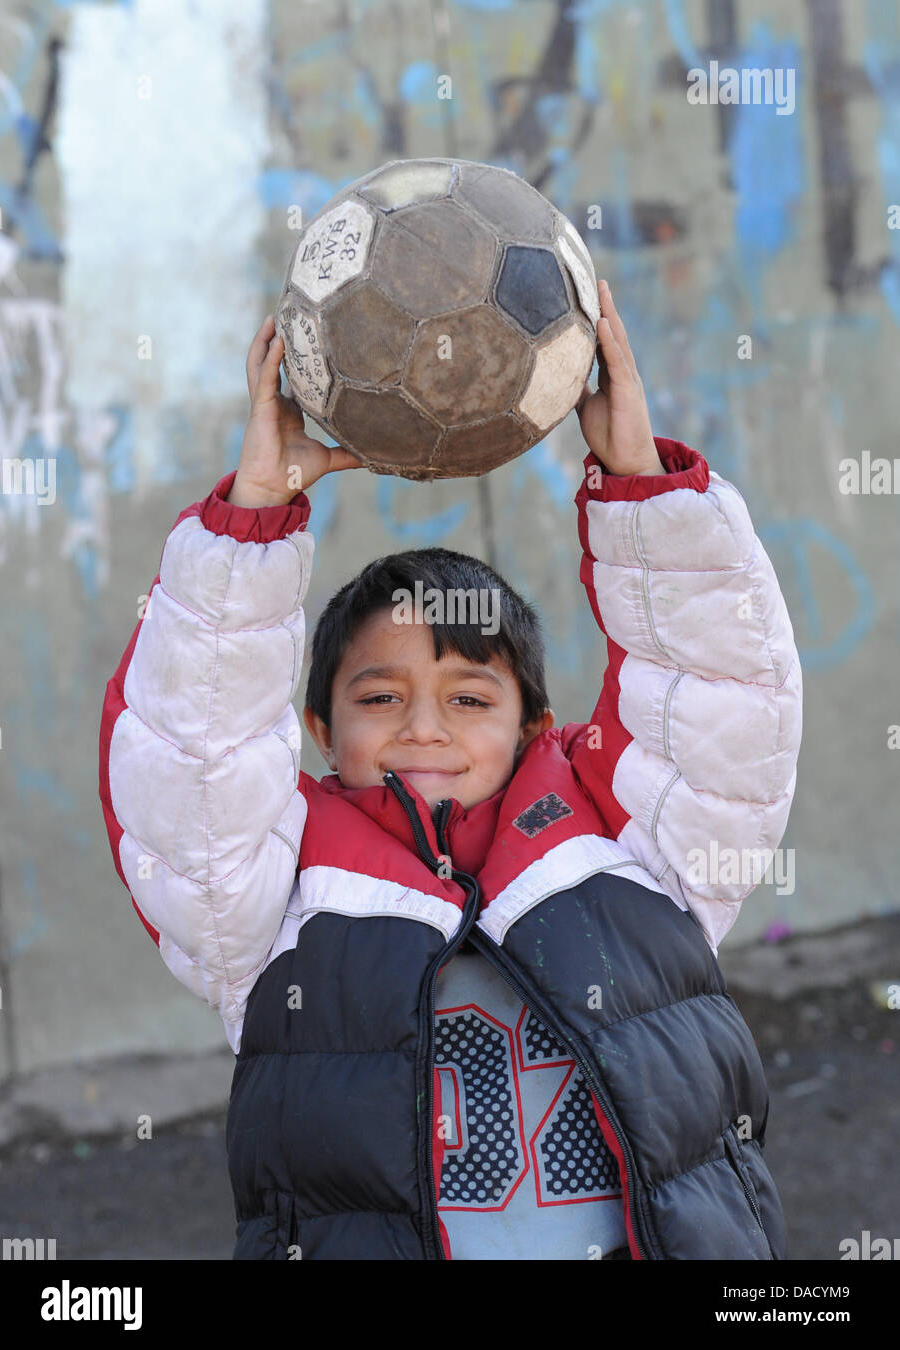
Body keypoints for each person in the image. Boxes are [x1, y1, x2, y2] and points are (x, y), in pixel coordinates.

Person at [98, 280, 802, 1260]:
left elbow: (723, 696)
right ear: (315, 726)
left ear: (535, 727)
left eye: (470, 699)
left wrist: (637, 478)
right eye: (379, 697)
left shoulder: (633, 847)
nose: (423, 728)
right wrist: (257, 514)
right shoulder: (273, 902)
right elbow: (189, 758)